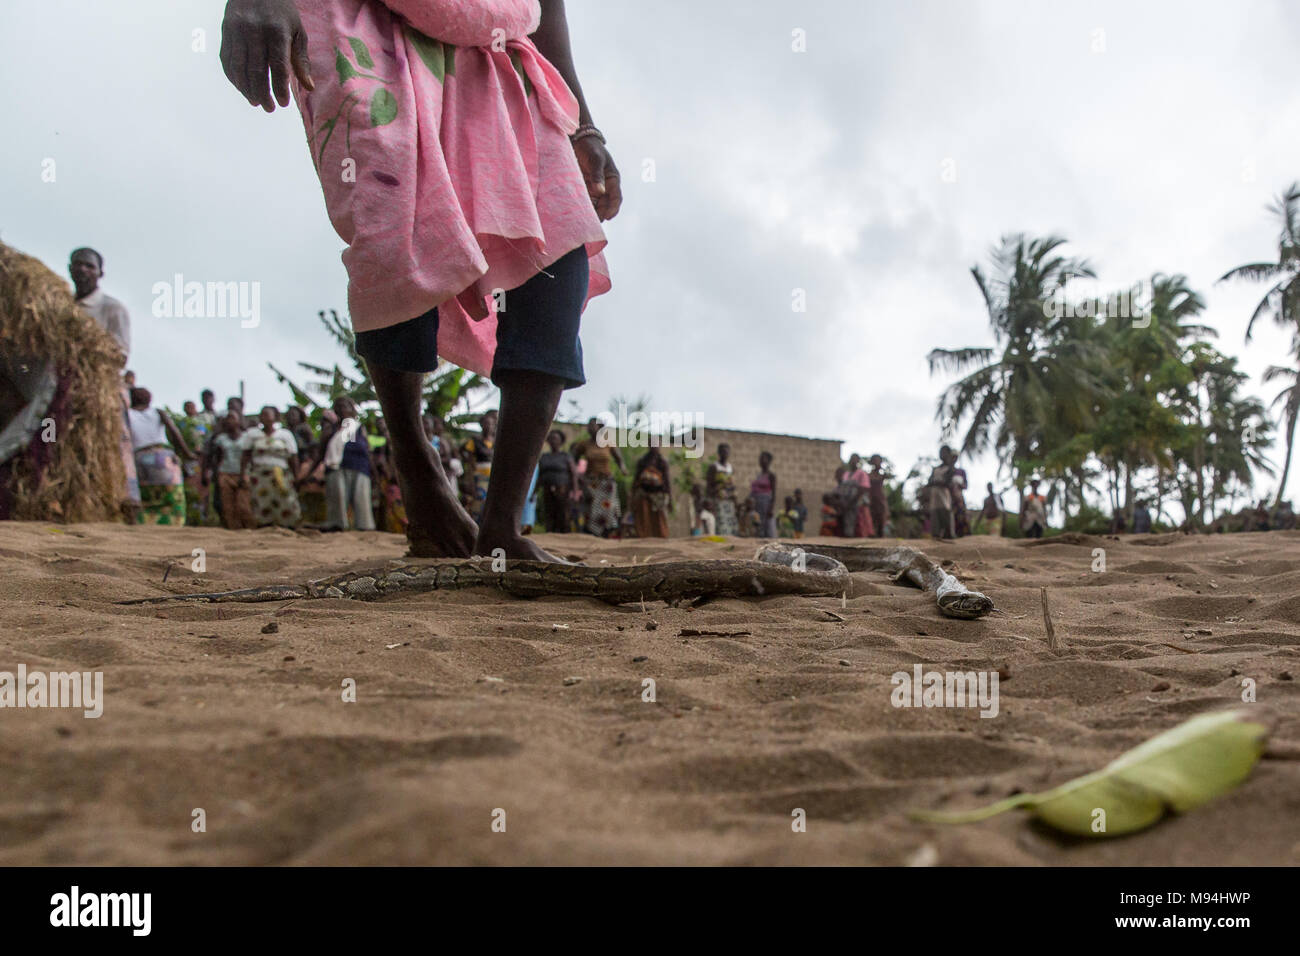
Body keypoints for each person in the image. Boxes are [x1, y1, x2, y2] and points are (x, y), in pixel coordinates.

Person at [220, 0, 618, 563]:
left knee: (560, 253)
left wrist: (586, 125)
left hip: (503, 58)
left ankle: (501, 525)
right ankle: (420, 475)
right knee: (398, 244)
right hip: (371, 36)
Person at [70, 246, 139, 518]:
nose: (83, 270)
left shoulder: (112, 308)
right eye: (78, 264)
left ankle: (124, 504)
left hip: (103, 388)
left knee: (114, 445)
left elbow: (120, 354)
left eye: (89, 265)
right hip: (68, 389)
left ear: (100, 272)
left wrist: (86, 350)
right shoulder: (64, 307)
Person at [127, 387, 196, 525]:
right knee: (173, 496)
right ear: (149, 399)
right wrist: (187, 453)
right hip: (163, 458)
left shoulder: (127, 414)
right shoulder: (157, 412)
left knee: (146, 496)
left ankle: (145, 524)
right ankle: (174, 524)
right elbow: (174, 433)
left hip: (139, 459)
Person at [307, 397, 375, 531]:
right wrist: (310, 473)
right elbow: (321, 453)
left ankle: (364, 527)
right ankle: (336, 525)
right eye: (339, 406)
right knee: (336, 497)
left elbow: (368, 451)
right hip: (335, 468)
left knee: (361, 499)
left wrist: (374, 473)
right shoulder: (330, 430)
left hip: (360, 467)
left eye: (345, 406)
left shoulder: (359, 428)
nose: (342, 409)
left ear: (352, 409)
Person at [241, 405, 301, 527]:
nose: (265, 417)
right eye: (262, 414)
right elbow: (245, 456)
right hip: (259, 473)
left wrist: (297, 476)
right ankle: (264, 525)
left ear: (275, 417)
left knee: (286, 498)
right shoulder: (252, 434)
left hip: (281, 473)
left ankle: (288, 525)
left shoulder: (285, 435)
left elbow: (293, 458)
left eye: (268, 414)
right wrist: (243, 473)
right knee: (261, 500)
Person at [572, 417, 624, 537]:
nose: (589, 428)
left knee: (608, 508)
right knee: (592, 508)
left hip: (607, 483)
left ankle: (607, 532)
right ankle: (591, 533)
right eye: (588, 426)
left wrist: (622, 467)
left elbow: (618, 458)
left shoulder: (608, 443)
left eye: (592, 425)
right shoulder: (584, 444)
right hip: (591, 482)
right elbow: (573, 458)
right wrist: (576, 473)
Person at [210, 411, 256, 529]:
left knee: (244, 505)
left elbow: (250, 456)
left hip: (243, 473)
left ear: (239, 421)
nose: (229, 421)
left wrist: (246, 473)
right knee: (228, 505)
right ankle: (233, 530)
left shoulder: (247, 437)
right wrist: (215, 473)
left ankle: (249, 528)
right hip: (225, 473)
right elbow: (217, 456)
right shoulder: (221, 438)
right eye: (227, 419)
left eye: (232, 418)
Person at [537, 428, 578, 533]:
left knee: (563, 515)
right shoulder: (544, 456)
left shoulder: (566, 456)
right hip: (547, 489)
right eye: (551, 439)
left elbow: (573, 474)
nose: (553, 441)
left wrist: (575, 491)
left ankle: (564, 538)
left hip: (563, 490)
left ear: (561, 441)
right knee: (550, 514)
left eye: (555, 439)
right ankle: (550, 537)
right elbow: (540, 475)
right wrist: (534, 492)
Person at [459, 409, 498, 521]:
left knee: (490, 502)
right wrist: (470, 477)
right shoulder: (475, 440)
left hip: (492, 475)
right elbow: (468, 457)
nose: (488, 426)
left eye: (491, 424)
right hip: (478, 475)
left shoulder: (496, 441)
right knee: (477, 500)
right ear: (481, 425)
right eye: (486, 424)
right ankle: (475, 526)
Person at [631, 447, 671, 538]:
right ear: (649, 445)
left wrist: (670, 499)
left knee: (659, 520)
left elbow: (667, 481)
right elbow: (636, 479)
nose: (655, 446)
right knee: (644, 518)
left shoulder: (662, 462)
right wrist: (633, 495)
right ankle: (644, 540)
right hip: (644, 493)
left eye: (657, 443)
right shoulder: (642, 461)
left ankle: (661, 540)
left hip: (658, 496)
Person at [705, 443, 739, 536]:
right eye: (723, 451)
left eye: (727, 451)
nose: (725, 453)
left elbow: (732, 485)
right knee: (720, 524)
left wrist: (734, 497)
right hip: (718, 500)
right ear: (719, 453)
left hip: (729, 501)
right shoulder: (714, 467)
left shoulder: (730, 468)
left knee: (729, 524)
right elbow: (709, 485)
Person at [925, 449, 957, 540]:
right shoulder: (935, 469)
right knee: (935, 515)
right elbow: (929, 481)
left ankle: (949, 534)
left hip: (944, 495)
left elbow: (948, 482)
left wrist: (938, 482)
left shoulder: (950, 469)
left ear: (948, 455)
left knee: (946, 513)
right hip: (935, 496)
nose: (942, 454)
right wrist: (936, 482)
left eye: (944, 452)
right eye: (941, 452)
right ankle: (936, 534)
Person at [843, 454, 876, 538]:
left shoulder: (862, 473)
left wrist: (854, 500)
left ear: (858, 461)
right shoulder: (846, 474)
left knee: (860, 526)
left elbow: (864, 488)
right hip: (847, 503)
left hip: (858, 502)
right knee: (848, 526)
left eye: (855, 459)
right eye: (851, 459)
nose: (852, 461)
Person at [749, 451, 778, 538]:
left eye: (763, 458)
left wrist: (771, 508)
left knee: (767, 525)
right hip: (756, 503)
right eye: (760, 459)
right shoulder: (759, 475)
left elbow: (774, 493)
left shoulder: (771, 475)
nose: (761, 460)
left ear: (769, 461)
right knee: (758, 524)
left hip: (766, 504)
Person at [866, 456, 888, 538]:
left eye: (878, 461)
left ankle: (880, 538)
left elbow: (882, 488)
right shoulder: (869, 475)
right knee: (871, 521)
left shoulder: (882, 475)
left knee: (881, 522)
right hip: (871, 500)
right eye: (875, 461)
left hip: (880, 500)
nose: (877, 463)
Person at [950, 458, 970, 537]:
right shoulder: (948, 471)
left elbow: (966, 486)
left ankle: (964, 535)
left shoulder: (961, 471)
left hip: (959, 497)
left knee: (962, 516)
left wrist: (959, 485)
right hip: (949, 498)